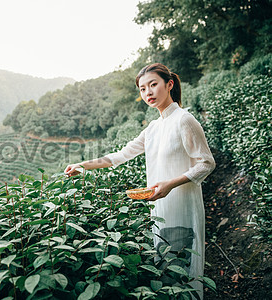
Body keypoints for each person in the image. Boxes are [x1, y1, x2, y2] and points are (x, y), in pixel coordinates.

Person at [64, 63, 215, 298]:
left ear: (170, 84)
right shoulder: (153, 128)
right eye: (143, 89)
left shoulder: (184, 120)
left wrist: (170, 184)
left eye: (153, 85)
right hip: (159, 208)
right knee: (166, 268)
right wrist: (82, 165)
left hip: (181, 208)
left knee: (178, 274)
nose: (148, 93)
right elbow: (120, 155)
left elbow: (206, 163)